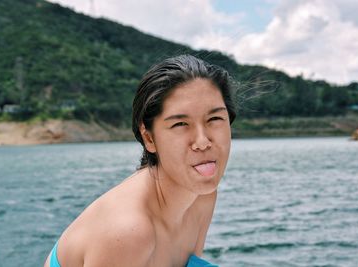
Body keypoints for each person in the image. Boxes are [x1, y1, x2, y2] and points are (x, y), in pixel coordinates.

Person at [44, 54, 236, 267]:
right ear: (149, 138)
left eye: (215, 119)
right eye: (180, 124)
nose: (202, 141)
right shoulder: (128, 233)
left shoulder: (201, 195)